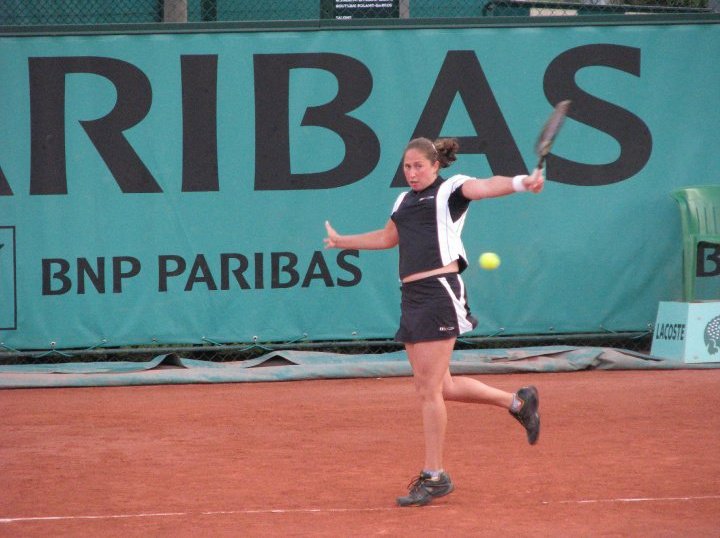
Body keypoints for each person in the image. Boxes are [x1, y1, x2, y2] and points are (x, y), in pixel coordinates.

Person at [323, 137, 543, 507]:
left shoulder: (452, 190)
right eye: (406, 167)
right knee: (444, 387)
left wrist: (523, 182)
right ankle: (519, 404)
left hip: (439, 290)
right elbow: (387, 237)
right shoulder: (403, 201)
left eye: (418, 167)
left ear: (435, 165)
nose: (411, 173)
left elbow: (487, 186)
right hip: (412, 297)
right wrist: (344, 241)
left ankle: (435, 476)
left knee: (427, 391)